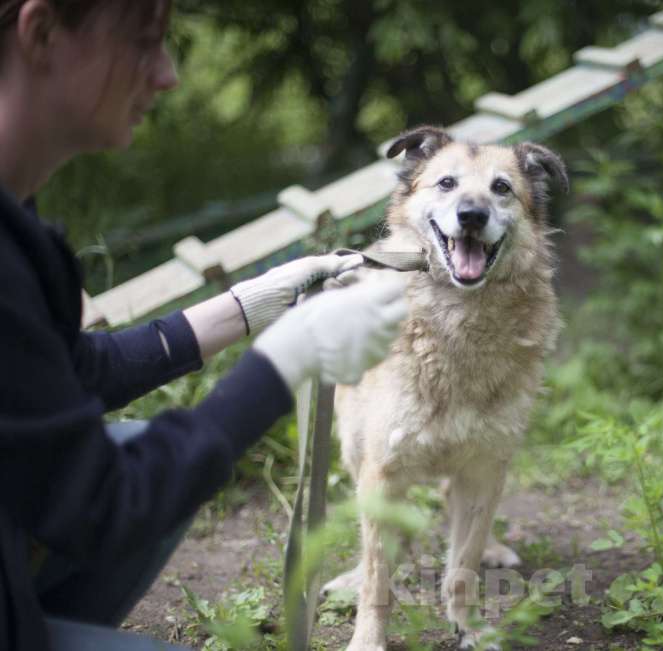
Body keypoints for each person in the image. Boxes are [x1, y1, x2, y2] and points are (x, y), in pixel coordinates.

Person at [0, 1, 407, 649]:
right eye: (143, 42)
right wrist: (283, 361)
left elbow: (68, 373)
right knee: (154, 463)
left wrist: (246, 306)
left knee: (141, 441)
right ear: (42, 32)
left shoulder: (15, 212)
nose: (167, 75)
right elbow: (106, 504)